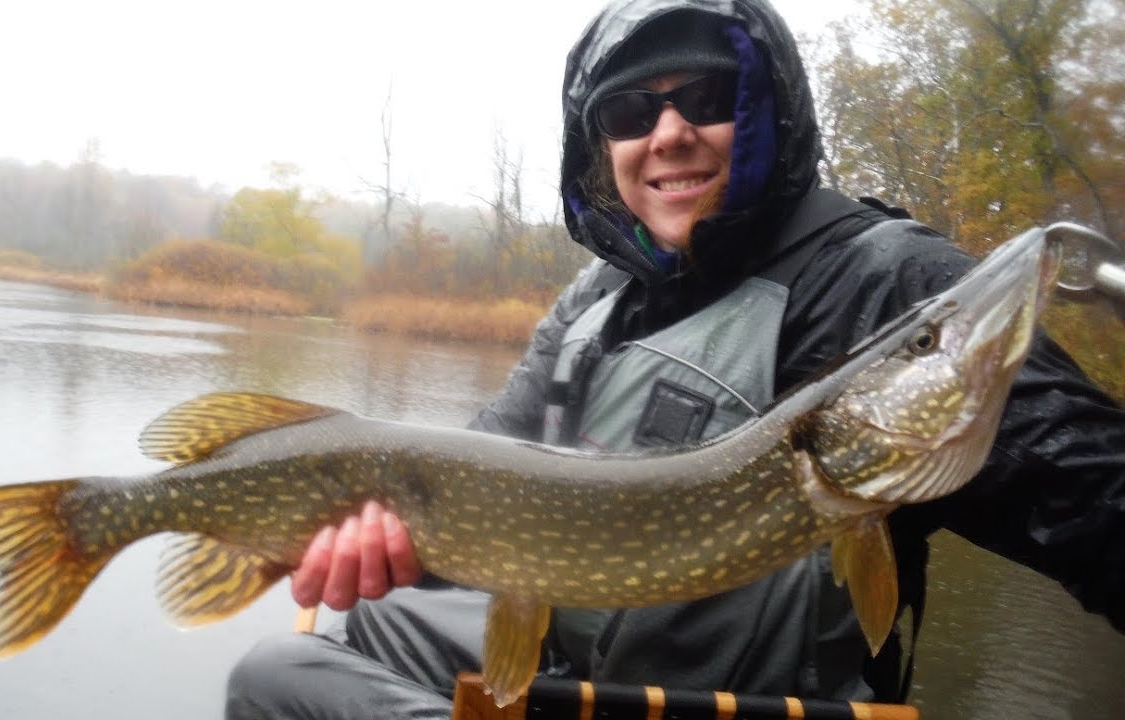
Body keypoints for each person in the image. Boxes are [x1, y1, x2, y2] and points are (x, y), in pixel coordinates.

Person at [225, 0, 1125, 717]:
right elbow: (478, 479)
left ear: (766, 113)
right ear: (601, 146)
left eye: (706, 97)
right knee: (367, 616)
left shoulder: (885, 282)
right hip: (577, 664)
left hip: (726, 703)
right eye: (628, 111)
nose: (667, 133)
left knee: (278, 674)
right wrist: (400, 546)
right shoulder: (597, 301)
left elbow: (1102, 505)